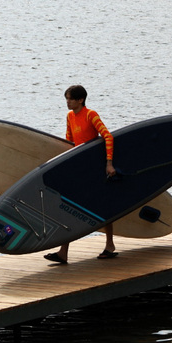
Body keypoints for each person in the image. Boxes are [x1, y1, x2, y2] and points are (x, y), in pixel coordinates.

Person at [44, 85, 118, 264]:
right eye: (66, 99)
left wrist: (109, 164)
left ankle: (110, 245)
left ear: (80, 100)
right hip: (79, 168)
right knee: (69, 206)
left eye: (70, 99)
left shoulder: (90, 114)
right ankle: (63, 252)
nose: (67, 102)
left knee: (104, 206)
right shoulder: (70, 116)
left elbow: (108, 136)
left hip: (95, 167)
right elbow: (69, 141)